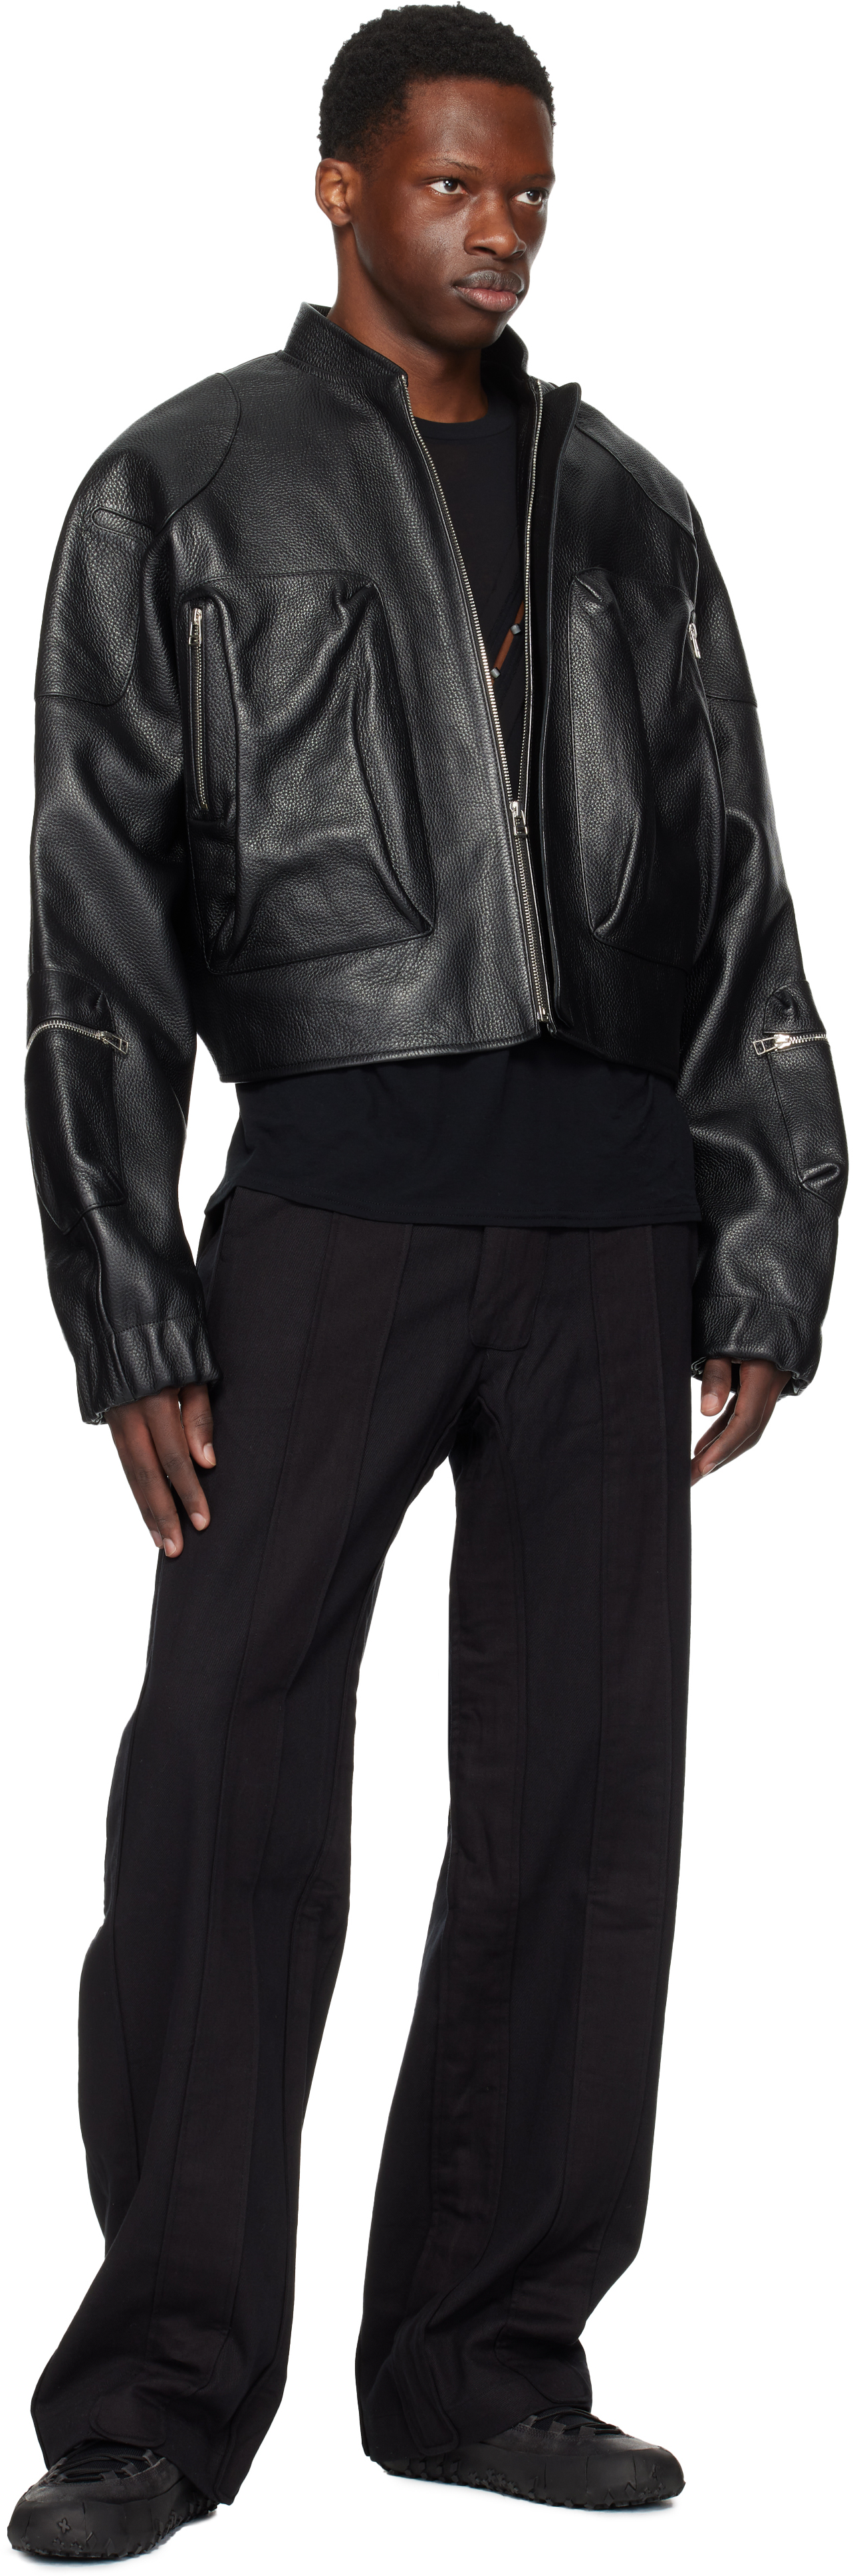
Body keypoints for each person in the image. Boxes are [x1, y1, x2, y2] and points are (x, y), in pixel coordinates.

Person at [11, 3, 846, 2557]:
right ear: (341, 187)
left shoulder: (634, 513)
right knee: (226, 1786)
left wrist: (763, 1227)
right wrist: (132, 1304)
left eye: (529, 195)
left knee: (580, 1803)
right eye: (454, 185)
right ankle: (156, 2397)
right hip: (331, 1210)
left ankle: (481, 2359)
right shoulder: (180, 486)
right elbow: (94, 932)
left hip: (606, 1230)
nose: (497, 230)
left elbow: (738, 883)